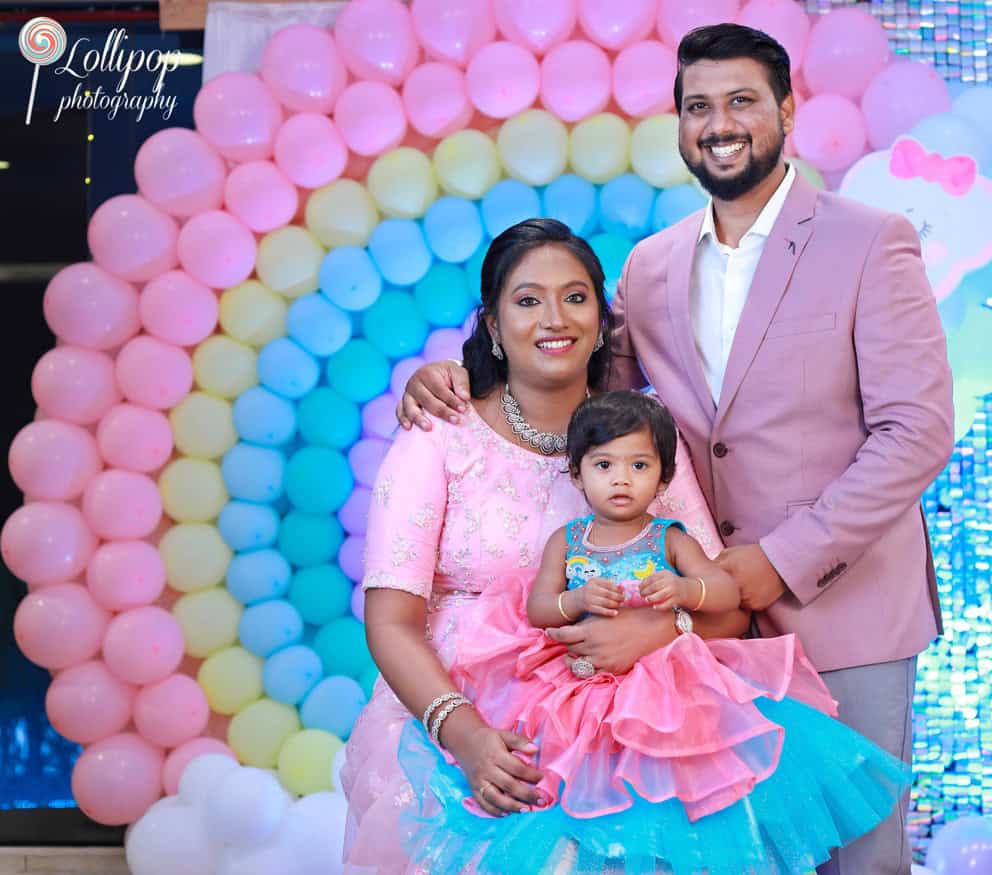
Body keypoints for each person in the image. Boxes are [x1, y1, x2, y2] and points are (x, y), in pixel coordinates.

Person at [398, 23, 955, 875]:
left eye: (741, 101)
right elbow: (582, 387)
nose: (719, 123)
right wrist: (457, 372)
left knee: (858, 856)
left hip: (840, 599)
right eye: (699, 106)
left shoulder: (870, 239)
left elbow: (915, 431)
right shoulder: (652, 267)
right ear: (680, 124)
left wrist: (774, 561)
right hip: (687, 626)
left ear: (787, 111)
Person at [344, 218, 906, 875]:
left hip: (633, 735)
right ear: (492, 325)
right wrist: (466, 735)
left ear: (602, 318)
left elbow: (724, 604)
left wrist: (662, 629)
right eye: (527, 300)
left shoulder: (638, 441)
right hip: (469, 724)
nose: (555, 317)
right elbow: (389, 620)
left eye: (575, 296)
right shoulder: (441, 434)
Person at [443, 389, 908, 862]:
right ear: (577, 474)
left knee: (668, 793)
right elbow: (539, 609)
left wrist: (685, 591)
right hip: (582, 694)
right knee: (583, 796)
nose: (621, 480)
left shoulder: (669, 539)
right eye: (604, 466)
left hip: (663, 687)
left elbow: (725, 592)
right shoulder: (566, 542)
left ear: (664, 477)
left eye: (638, 466)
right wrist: (574, 599)